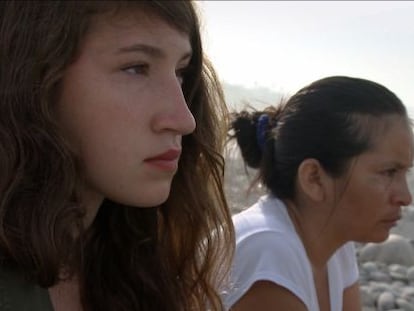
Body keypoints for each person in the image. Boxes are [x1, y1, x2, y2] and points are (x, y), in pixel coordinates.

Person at [0, 1, 234, 310]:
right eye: (136, 68)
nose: (183, 119)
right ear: (35, 79)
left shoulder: (130, 269)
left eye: (180, 72)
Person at [222, 76, 413, 311]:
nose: (405, 197)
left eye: (405, 172)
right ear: (313, 178)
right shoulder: (270, 256)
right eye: (388, 172)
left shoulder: (334, 246)